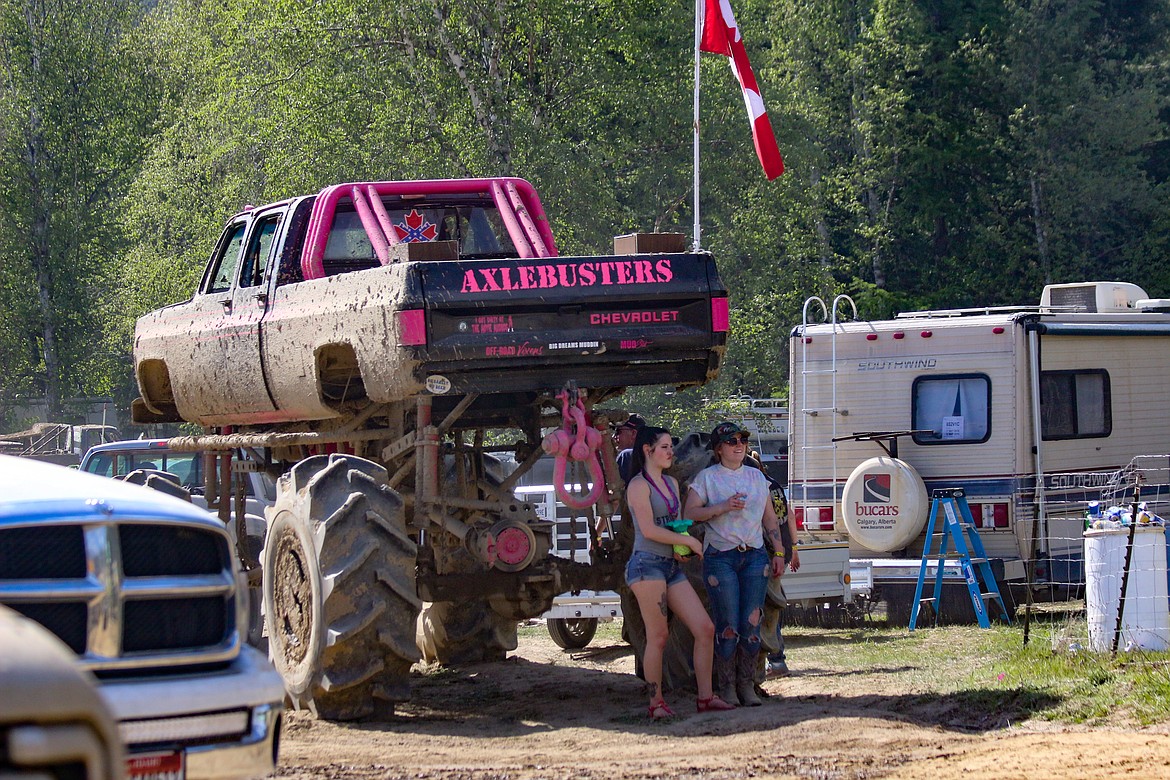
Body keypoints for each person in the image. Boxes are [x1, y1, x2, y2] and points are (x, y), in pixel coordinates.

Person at [625, 425, 734, 718]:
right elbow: (647, 530)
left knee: (704, 628)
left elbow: (672, 524)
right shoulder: (638, 486)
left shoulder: (672, 485)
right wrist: (686, 540)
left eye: (670, 446)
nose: (671, 451)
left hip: (670, 566)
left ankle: (706, 697)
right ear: (648, 451)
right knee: (658, 636)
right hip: (646, 566)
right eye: (664, 447)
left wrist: (679, 545)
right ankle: (656, 703)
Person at [683, 421, 785, 707]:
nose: (738, 445)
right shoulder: (707, 478)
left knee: (751, 622)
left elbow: (769, 519)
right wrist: (722, 507)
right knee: (727, 624)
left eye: (741, 440)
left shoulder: (756, 478)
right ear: (718, 449)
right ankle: (727, 687)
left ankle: (746, 684)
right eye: (731, 441)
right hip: (721, 555)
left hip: (754, 555)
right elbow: (690, 513)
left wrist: (778, 551)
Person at [613, 413, 646, 482]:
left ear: (633, 433)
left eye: (618, 431)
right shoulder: (652, 454)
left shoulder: (626, 455)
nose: (614, 436)